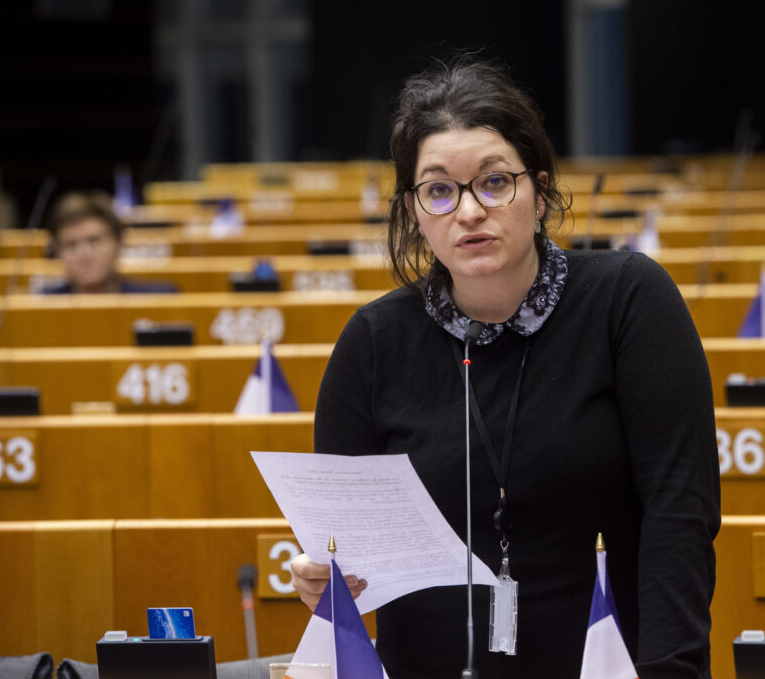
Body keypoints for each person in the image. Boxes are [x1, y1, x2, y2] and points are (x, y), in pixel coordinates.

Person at [291, 59, 720, 679]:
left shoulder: (627, 301)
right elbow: (347, 548)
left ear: (539, 193)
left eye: (494, 182)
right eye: (439, 190)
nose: (469, 211)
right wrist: (326, 575)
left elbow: (680, 514)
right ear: (414, 212)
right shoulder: (373, 343)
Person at [40, 191, 177, 294]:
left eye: (94, 241)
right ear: (57, 253)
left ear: (118, 243)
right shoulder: (40, 306)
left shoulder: (159, 298)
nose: (84, 254)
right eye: (71, 246)